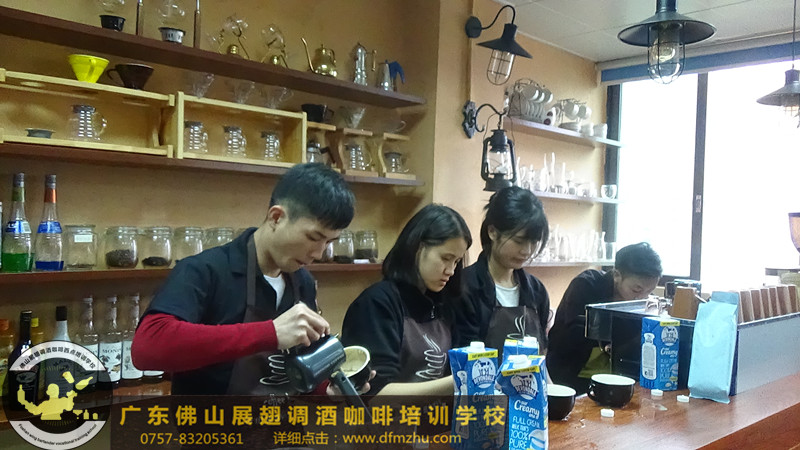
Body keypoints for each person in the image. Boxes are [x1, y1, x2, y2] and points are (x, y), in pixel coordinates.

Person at [132, 163, 357, 396]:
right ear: (276, 217)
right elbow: (147, 348)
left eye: (329, 242)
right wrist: (270, 333)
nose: (319, 253)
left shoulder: (303, 282)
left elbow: (298, 369)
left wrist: (326, 391)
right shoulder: (204, 271)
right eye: (313, 237)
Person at [341, 204, 472, 396]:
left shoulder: (446, 301)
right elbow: (375, 394)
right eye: (446, 258)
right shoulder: (376, 303)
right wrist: (458, 381)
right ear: (417, 247)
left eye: (457, 261)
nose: (451, 270)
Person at [547, 242, 662, 394]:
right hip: (574, 374)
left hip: (618, 377)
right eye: (636, 290)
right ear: (617, 275)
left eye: (649, 291)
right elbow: (572, 335)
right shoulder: (587, 285)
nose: (642, 297)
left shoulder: (645, 301)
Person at [456, 186, 551, 361]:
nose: (526, 251)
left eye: (534, 242)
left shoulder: (537, 291)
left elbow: (541, 353)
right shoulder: (464, 286)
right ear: (492, 232)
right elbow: (463, 358)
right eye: (519, 241)